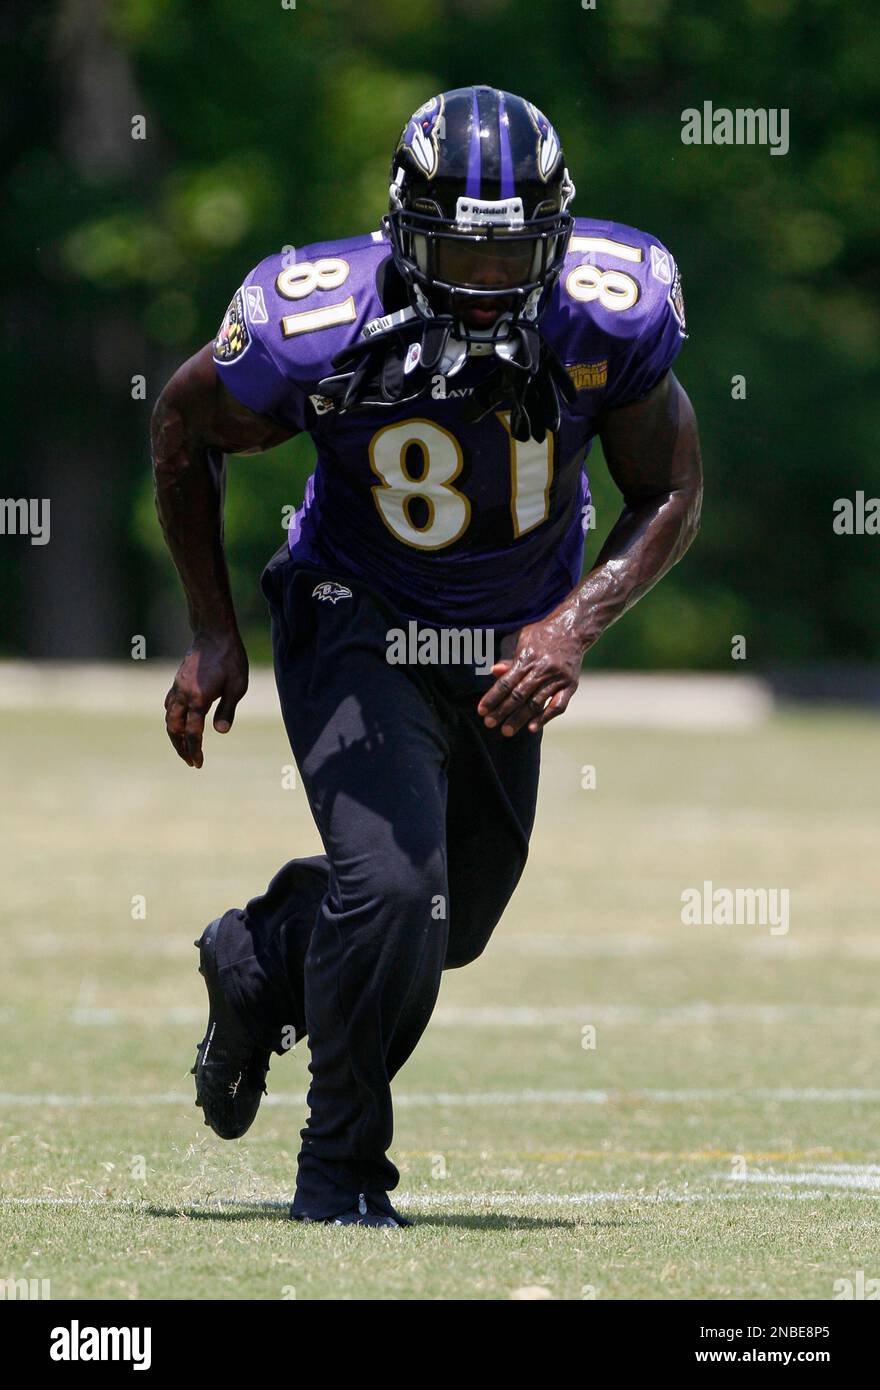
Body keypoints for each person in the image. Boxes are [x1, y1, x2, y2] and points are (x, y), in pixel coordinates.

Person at [150, 85, 703, 1227]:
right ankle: (341, 1171)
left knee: (448, 926)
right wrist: (212, 627)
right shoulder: (319, 319)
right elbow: (183, 423)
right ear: (404, 227)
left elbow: (671, 491)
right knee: (398, 891)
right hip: (359, 614)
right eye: (459, 249)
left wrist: (572, 624)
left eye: (513, 256)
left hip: (509, 642)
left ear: (556, 237)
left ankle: (259, 956)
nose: (489, 279)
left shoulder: (610, 312)